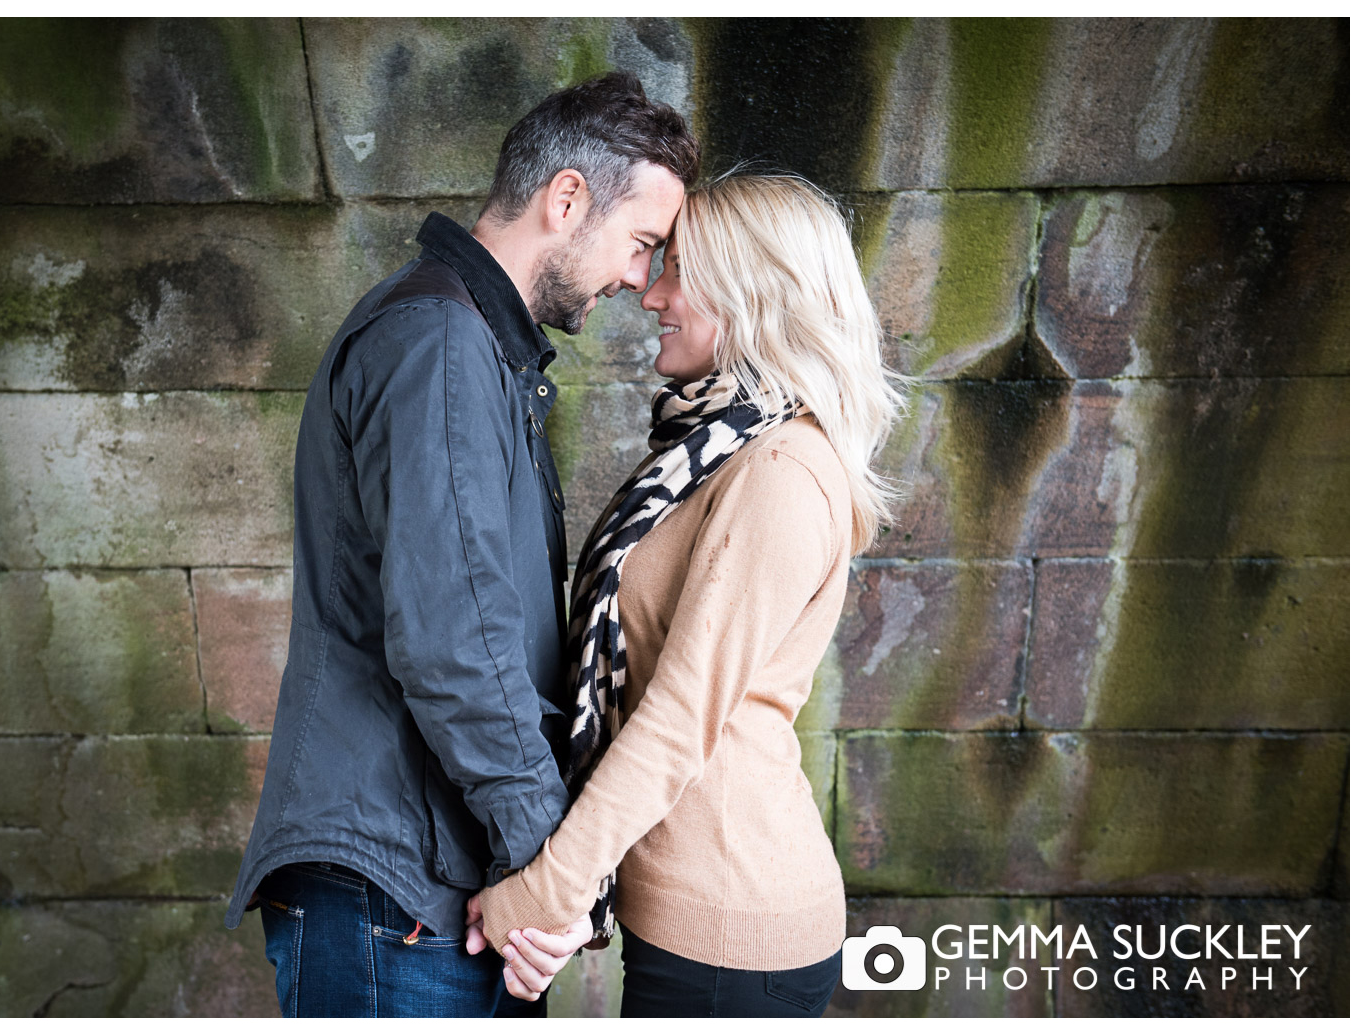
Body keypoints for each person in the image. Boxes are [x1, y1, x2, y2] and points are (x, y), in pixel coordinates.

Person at [223, 71, 699, 1017]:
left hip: (426, 883)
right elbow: (457, 641)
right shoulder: (439, 342)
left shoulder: (472, 343)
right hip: (393, 897)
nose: (639, 281)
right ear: (567, 199)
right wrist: (550, 870)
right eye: (641, 244)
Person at [469, 173, 907, 1017]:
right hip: (688, 918)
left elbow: (677, 719)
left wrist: (544, 894)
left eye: (679, 271)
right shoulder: (714, 452)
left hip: (736, 935)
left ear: (752, 290)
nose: (651, 295)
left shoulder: (782, 470)